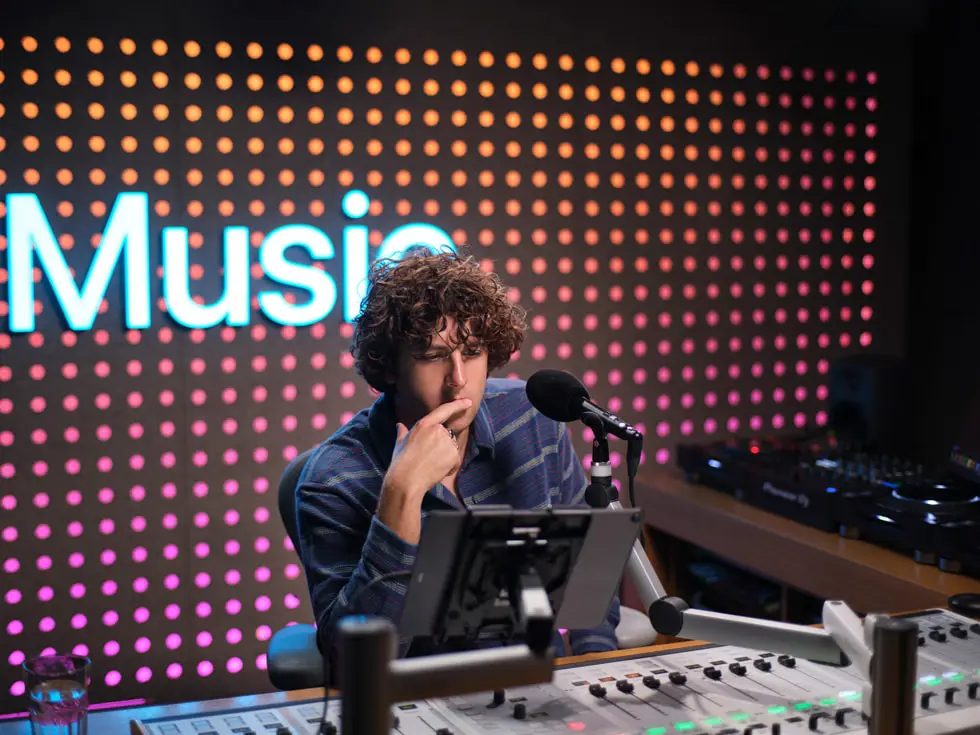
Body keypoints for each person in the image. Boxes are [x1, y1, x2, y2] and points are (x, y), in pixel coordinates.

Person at [294, 247, 621, 664]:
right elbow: (358, 660)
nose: (458, 381)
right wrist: (402, 493)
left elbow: (587, 568)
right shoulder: (331, 479)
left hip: (541, 679)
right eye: (433, 357)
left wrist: (594, 665)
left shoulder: (533, 419)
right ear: (389, 367)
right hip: (420, 693)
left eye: (471, 353)